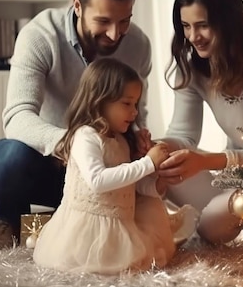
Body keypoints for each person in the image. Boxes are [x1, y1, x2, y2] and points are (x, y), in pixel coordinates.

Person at [0, 0, 153, 249]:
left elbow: (136, 112)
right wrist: (72, 143)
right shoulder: (40, 36)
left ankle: (60, 221)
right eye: (103, 21)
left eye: (124, 21)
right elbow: (17, 116)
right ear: (77, 5)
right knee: (6, 161)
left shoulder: (138, 45)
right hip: (48, 163)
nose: (114, 34)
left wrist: (139, 140)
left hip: (102, 167)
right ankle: (10, 220)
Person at [156, 0, 243, 243]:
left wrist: (207, 160)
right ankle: (209, 223)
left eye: (202, 25)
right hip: (235, 184)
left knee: (215, 219)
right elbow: (183, 135)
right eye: (185, 26)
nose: (193, 37)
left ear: (227, 22)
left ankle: (210, 226)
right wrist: (154, 148)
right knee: (162, 161)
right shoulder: (191, 67)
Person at [32, 58, 176, 273]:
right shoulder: (85, 136)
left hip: (119, 225)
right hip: (87, 231)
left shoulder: (120, 141)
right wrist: (147, 163)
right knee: (99, 266)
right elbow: (97, 181)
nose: (135, 112)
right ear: (99, 101)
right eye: (127, 104)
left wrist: (158, 182)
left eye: (136, 104)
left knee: (137, 262)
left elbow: (129, 187)